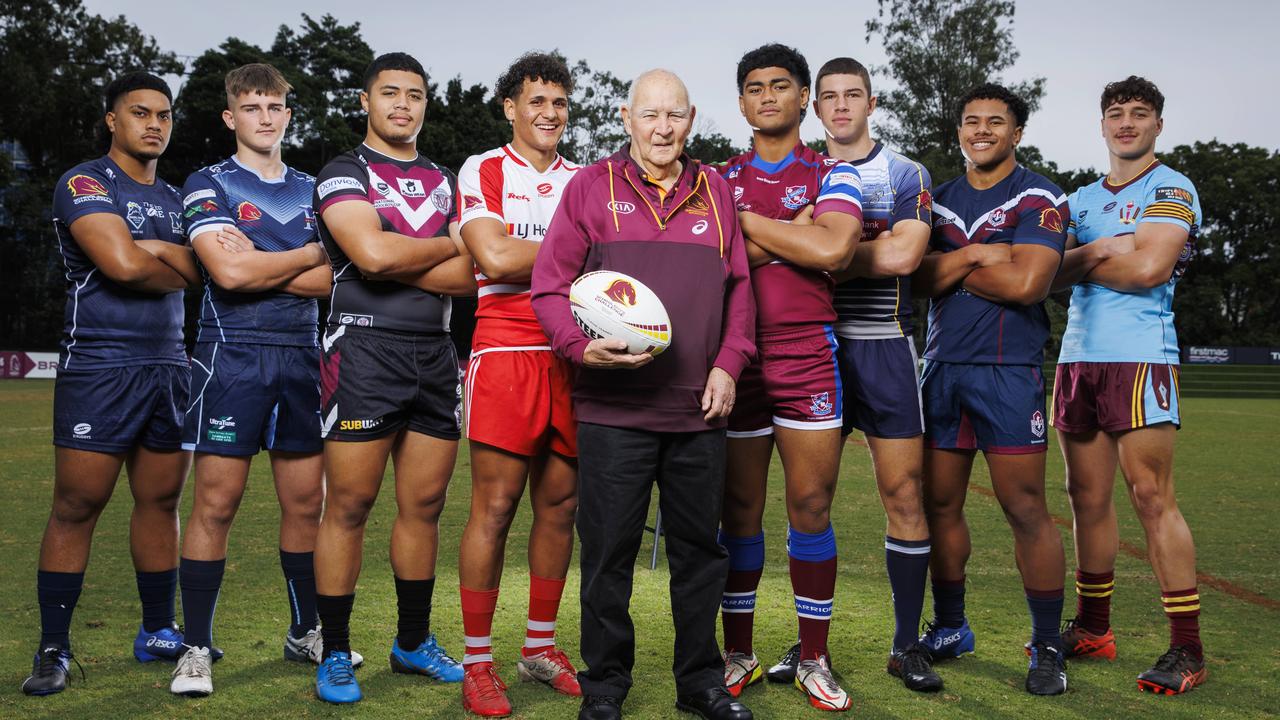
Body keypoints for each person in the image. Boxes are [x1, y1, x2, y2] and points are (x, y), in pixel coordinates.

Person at [531, 68, 756, 720]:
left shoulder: (716, 191)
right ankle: (605, 688)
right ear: (626, 118)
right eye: (649, 115)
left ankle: (701, 683)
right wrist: (578, 348)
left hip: (698, 407)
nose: (662, 128)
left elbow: (740, 289)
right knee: (607, 555)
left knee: (700, 556)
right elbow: (549, 286)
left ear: (691, 120)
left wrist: (731, 365)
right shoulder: (589, 187)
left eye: (675, 115)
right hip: (613, 409)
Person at [168, 63, 346, 697]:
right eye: (252, 108)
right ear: (231, 117)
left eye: (275, 107)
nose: (265, 117)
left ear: (288, 115)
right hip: (231, 356)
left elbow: (334, 282)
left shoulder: (314, 189)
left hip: (302, 356)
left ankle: (304, 631)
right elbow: (228, 275)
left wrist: (254, 259)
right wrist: (301, 255)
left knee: (306, 505)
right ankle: (196, 646)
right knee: (216, 503)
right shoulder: (206, 182)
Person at [23, 71, 199, 696]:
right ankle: (53, 649)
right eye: (139, 113)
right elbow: (123, 266)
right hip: (99, 367)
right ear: (112, 120)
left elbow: (205, 273)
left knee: (161, 503)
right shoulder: (85, 181)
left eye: (164, 115)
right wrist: (167, 258)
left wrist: (160, 252)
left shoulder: (181, 198)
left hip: (169, 367)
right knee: (76, 506)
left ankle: (157, 630)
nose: (154, 124)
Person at [308, 52, 475, 704]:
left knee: (424, 508)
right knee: (348, 506)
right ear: (365, 101)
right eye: (390, 93)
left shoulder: (448, 180)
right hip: (363, 349)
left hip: (435, 351)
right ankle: (335, 650)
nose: (403, 105)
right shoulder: (344, 173)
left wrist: (397, 256)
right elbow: (370, 255)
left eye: (414, 95)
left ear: (425, 104)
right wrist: (442, 247)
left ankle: (411, 643)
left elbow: (472, 277)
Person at [712, 44, 862, 712]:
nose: (766, 96)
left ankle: (813, 657)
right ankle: (737, 651)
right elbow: (710, 259)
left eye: (779, 86)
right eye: (753, 87)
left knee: (809, 508)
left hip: (807, 355)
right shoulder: (715, 179)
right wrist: (784, 232)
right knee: (738, 512)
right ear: (741, 102)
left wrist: (751, 232)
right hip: (736, 356)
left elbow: (833, 247)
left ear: (804, 97)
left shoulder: (836, 171)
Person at [1049, 76, 1206, 695]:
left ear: (1158, 125)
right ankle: (1094, 629)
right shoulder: (1080, 198)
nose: (1126, 124)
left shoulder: (1171, 186)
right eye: (1116, 114)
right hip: (1076, 361)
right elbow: (1046, 274)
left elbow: (1148, 267)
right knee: (1086, 499)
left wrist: (1087, 256)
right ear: (1102, 123)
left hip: (1140, 358)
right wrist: (1097, 251)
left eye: (1139, 114)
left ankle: (1187, 649)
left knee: (1150, 496)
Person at [912, 83, 1070, 696]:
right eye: (971, 121)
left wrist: (956, 268)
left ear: (1017, 133)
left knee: (1025, 508)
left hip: (1010, 372)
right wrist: (984, 253)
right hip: (943, 369)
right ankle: (951, 627)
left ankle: (1048, 645)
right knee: (939, 505)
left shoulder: (1039, 193)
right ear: (959, 131)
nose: (982, 131)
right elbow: (918, 279)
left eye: (995, 122)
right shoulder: (938, 198)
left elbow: (1030, 283)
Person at [806, 56, 941, 693]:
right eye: (828, 97)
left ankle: (906, 644)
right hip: (815, 346)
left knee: (904, 495)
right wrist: (854, 252)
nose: (840, 106)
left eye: (851, 95)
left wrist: (825, 251)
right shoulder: (805, 172)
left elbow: (906, 254)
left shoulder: (906, 172)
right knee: (810, 502)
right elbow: (874, 252)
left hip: (885, 345)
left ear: (871, 102)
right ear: (814, 106)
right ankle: (811, 650)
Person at [454, 52, 582, 717]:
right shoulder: (484, 168)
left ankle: (539, 646)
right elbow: (496, 256)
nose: (548, 113)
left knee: (560, 507)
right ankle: (477, 663)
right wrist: (579, 249)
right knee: (496, 508)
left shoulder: (585, 180)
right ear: (511, 107)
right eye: (536, 101)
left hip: (575, 356)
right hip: (506, 350)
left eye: (559, 102)